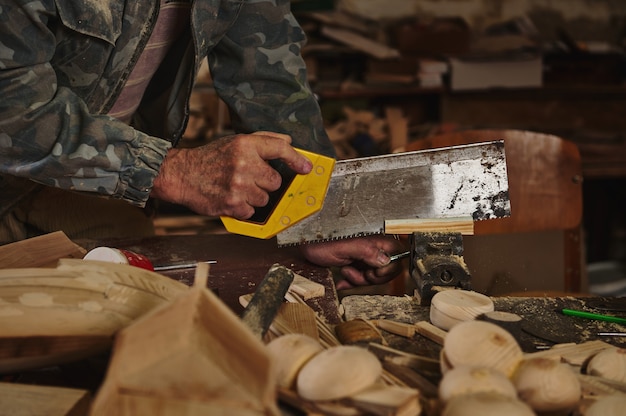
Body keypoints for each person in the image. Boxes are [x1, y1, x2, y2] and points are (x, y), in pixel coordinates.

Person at [0, 0, 405, 289]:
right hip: (22, 163)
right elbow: (11, 110)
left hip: (90, 184)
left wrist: (317, 217)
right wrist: (171, 171)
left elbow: (269, 79)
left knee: (137, 315)